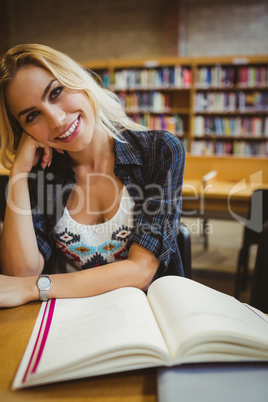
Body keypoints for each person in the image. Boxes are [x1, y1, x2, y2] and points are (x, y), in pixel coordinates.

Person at [0, 43, 185, 308]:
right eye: (32, 115)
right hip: (68, 324)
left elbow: (141, 271)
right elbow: (20, 274)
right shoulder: (39, 174)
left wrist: (35, 287)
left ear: (78, 80)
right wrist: (18, 172)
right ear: (23, 130)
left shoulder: (160, 151)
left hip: (148, 323)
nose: (56, 120)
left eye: (56, 92)